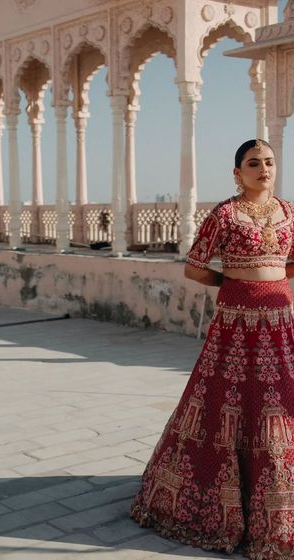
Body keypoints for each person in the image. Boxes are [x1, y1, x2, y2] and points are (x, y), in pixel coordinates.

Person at [130, 139, 294, 559]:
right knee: (228, 404)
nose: (264, 168)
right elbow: (195, 266)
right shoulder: (225, 214)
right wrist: (236, 283)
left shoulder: (289, 212)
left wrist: (270, 282)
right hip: (235, 325)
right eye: (254, 163)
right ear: (237, 172)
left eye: (270, 162)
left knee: (279, 405)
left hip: (279, 324)